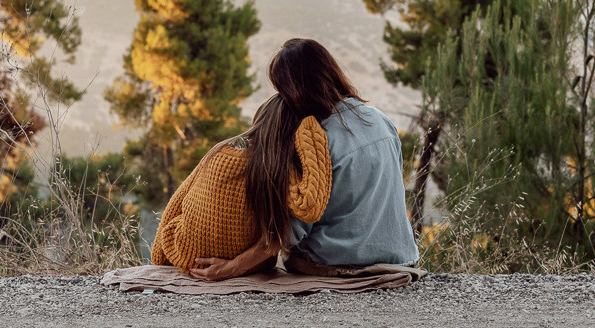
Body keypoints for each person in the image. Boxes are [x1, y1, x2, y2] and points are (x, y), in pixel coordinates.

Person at [191, 38, 418, 280]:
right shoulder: (381, 120)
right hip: (402, 258)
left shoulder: (315, 143)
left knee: (290, 253)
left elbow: (288, 234)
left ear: (293, 91)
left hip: (343, 264)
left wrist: (230, 268)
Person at [151, 94, 332, 275]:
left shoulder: (220, 149)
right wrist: (312, 134)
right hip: (246, 265)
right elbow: (306, 208)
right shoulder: (279, 168)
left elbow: (177, 201)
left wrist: (159, 257)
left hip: (187, 256)